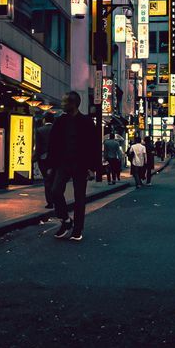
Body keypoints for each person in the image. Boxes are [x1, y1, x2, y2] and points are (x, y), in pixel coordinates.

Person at [44, 92, 100, 240]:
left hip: (81, 164)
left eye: (65, 102)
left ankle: (77, 229)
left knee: (79, 197)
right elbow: (53, 144)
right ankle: (66, 220)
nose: (62, 105)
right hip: (63, 163)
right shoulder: (60, 121)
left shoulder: (86, 121)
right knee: (55, 191)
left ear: (73, 104)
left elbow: (94, 145)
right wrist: (51, 164)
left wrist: (92, 167)